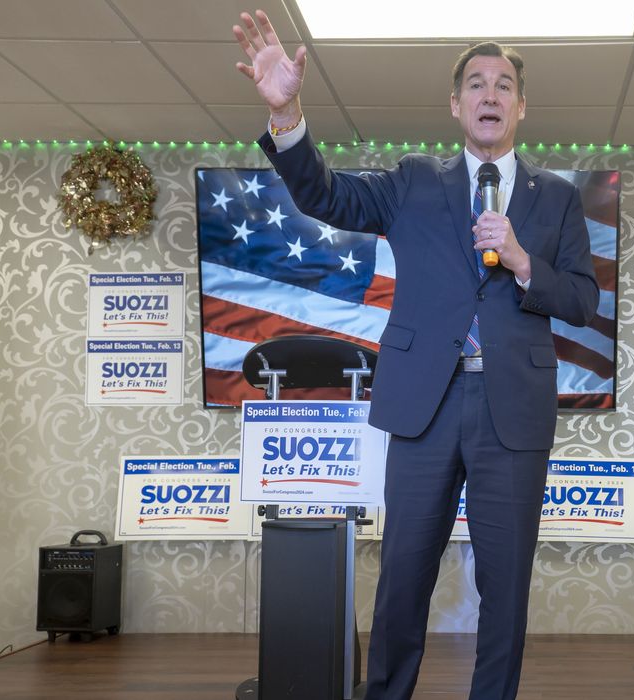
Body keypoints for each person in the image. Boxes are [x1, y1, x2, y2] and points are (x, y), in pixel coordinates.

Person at [234, 10, 599, 699]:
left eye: (502, 85)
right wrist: (286, 113)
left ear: (521, 105)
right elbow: (323, 195)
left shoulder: (555, 198)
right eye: (475, 84)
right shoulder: (413, 180)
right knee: (402, 577)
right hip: (422, 407)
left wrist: (523, 262)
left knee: (505, 586)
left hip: (510, 416)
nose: (489, 95)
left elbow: (581, 299)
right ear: (455, 104)